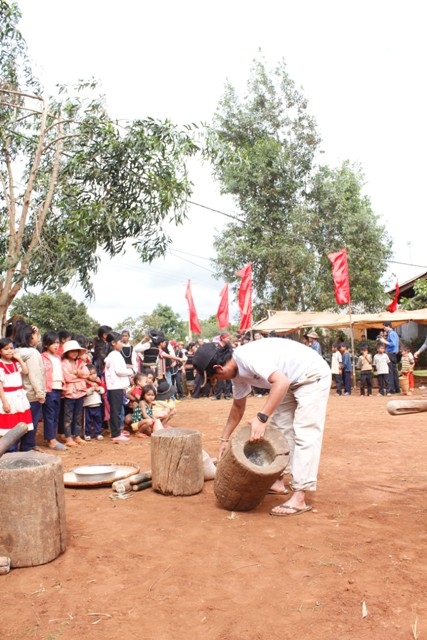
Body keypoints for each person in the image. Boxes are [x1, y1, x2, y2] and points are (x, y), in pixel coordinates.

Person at [193, 338, 331, 517]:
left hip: (311, 375)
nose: (218, 381)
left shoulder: (248, 358)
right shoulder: (237, 376)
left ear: (218, 369)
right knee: (281, 431)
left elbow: (280, 382)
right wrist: (224, 439)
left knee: (305, 433)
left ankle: (299, 496)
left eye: (215, 378)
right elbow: (237, 408)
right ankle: (278, 481)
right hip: (290, 380)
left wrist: (261, 417)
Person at [14, 323, 46, 451]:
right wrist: (40, 393)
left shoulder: (15, 352)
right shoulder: (33, 354)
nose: (38, 337)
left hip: (19, 395)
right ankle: (28, 447)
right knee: (31, 422)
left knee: (19, 423)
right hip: (31, 394)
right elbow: (35, 375)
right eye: (36, 335)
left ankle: (19, 447)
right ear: (30, 337)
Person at [0, 337, 33, 452]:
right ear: (0, 351)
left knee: (22, 424)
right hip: (8, 397)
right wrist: (4, 402)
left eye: (11, 348)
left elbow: (25, 371)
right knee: (10, 426)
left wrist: (19, 359)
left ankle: (22, 450)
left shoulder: (15, 363)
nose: (9, 351)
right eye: (6, 349)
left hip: (19, 397)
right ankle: (11, 451)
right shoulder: (0, 365)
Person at [104, 332, 132, 442]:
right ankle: (115, 434)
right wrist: (131, 371)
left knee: (117, 410)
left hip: (117, 386)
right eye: (120, 341)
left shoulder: (114, 354)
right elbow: (119, 371)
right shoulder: (114, 355)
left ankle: (116, 431)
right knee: (116, 411)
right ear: (113, 343)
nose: (122, 343)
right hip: (115, 386)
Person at [61, 339, 90, 447]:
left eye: (76, 351)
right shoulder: (63, 363)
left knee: (78, 416)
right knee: (68, 417)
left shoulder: (81, 363)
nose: (74, 353)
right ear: (67, 352)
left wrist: (77, 373)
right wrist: (80, 376)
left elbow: (86, 374)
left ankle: (77, 436)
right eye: (71, 351)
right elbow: (67, 377)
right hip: (69, 393)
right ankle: (68, 437)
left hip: (80, 392)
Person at [41, 331, 66, 451]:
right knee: (49, 414)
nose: (56, 346)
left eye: (57, 343)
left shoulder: (58, 358)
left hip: (58, 388)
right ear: (46, 345)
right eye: (53, 343)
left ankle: (53, 437)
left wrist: (63, 386)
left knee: (56, 414)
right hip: (48, 389)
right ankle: (50, 439)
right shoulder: (42, 357)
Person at [83, 364, 106, 440]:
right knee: (87, 421)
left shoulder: (98, 382)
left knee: (98, 420)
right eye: (91, 374)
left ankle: (98, 433)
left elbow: (103, 390)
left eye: (94, 373)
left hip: (97, 405)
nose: (93, 376)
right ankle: (87, 433)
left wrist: (98, 389)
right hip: (88, 405)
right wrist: (91, 390)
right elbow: (84, 393)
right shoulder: (85, 383)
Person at [380, 322, 400, 393]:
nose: (384, 329)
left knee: (390, 372)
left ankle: (392, 389)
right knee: (394, 372)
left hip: (390, 354)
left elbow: (393, 344)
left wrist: (384, 341)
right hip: (394, 354)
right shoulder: (394, 333)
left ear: (388, 326)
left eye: (385, 327)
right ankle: (397, 388)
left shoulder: (391, 333)